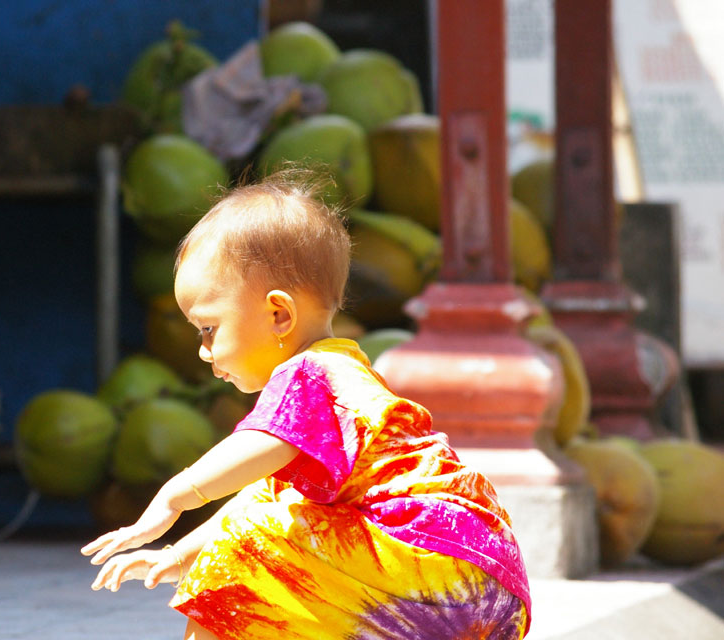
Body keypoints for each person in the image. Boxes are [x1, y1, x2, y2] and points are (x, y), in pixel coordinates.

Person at [81, 170, 531, 639]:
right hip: (479, 574)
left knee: (239, 560)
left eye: (209, 329)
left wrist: (174, 499)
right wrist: (177, 557)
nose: (201, 349)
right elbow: (260, 496)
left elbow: (257, 453)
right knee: (275, 529)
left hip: (426, 559)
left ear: (279, 314)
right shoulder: (348, 374)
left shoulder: (308, 376)